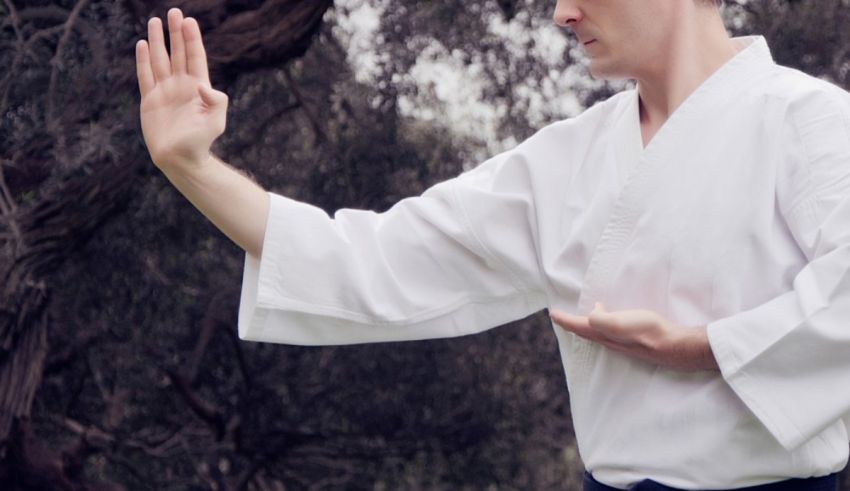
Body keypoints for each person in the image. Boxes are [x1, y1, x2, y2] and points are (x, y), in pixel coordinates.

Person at [135, 1, 850, 489]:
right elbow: (376, 260)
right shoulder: (565, 160)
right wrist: (192, 168)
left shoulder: (810, 121)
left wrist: (703, 346)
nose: (562, 12)